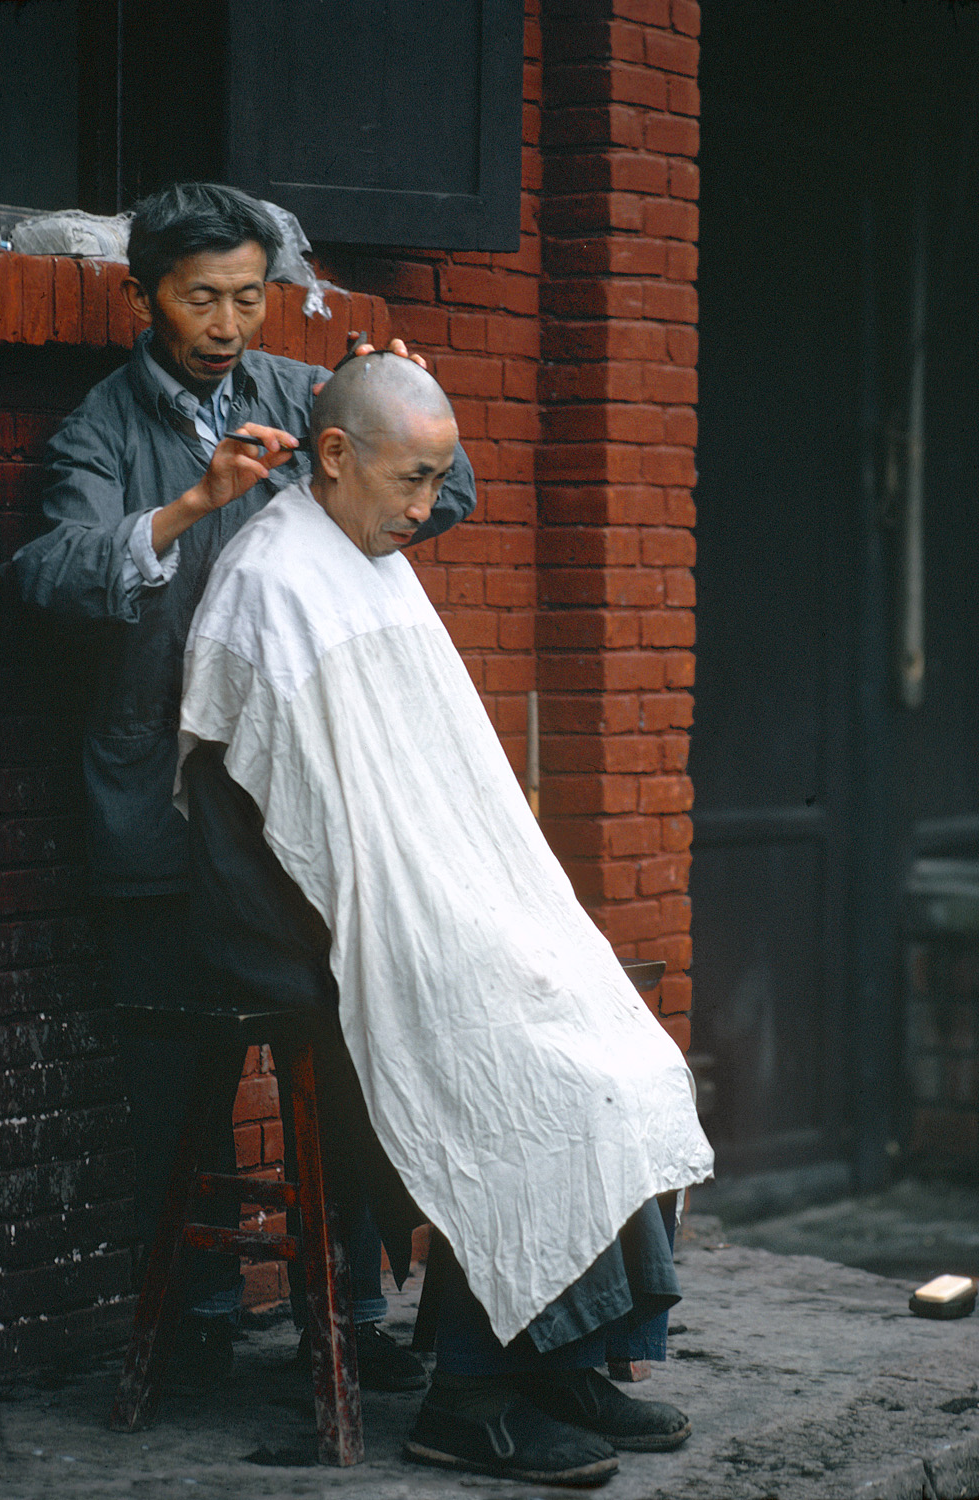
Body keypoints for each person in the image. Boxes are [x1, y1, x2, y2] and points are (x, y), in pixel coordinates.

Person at [176, 352, 715, 1487]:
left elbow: (432, 779)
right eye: (414, 479)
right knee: (526, 1064)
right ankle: (471, 1401)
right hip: (289, 921)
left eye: (439, 479)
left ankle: (564, 1358)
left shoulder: (365, 551)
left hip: (406, 889)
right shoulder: (274, 580)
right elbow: (311, 813)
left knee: (613, 1042)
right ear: (335, 456)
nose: (429, 507)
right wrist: (414, 925)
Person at [10, 182, 477, 1390]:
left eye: (249, 295)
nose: (228, 323)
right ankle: (199, 1322)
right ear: (144, 297)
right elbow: (48, 576)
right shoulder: (102, 429)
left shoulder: (293, 391)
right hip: (162, 809)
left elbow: (446, 499)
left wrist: (410, 422)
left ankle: (356, 1308)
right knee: (178, 1081)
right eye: (199, 296)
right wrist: (191, 505)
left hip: (306, 802)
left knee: (350, 1038)